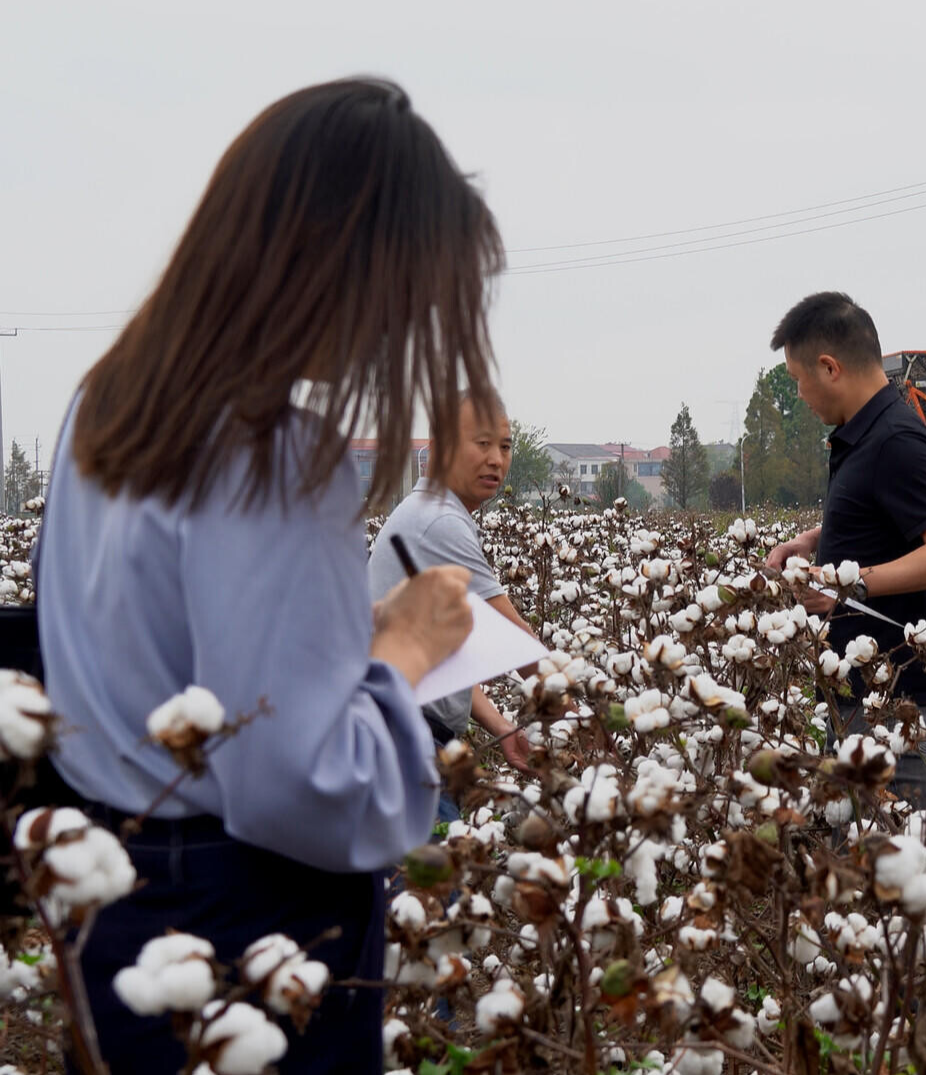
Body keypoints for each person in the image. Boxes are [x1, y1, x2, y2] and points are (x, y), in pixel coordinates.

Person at [35, 78, 501, 1074]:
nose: (408, 325)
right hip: (247, 936)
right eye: (412, 289)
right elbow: (305, 786)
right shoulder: (273, 453)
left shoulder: (103, 405)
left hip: (112, 915)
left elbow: (182, 665)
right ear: (343, 262)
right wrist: (400, 652)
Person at [762, 292, 926, 811]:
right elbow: (888, 520)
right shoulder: (865, 436)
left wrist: (849, 585)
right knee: (859, 849)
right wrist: (814, 540)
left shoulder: (896, 441)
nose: (799, 394)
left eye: (798, 379)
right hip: (864, 698)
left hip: (898, 710)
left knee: (894, 852)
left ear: (829, 367)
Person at [368, 389, 537, 825]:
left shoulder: (429, 511)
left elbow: (440, 659)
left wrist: (501, 727)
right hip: (405, 748)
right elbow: (518, 642)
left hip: (401, 740)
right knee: (430, 868)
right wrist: (591, 718)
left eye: (505, 446)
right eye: (482, 444)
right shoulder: (440, 520)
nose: (496, 460)